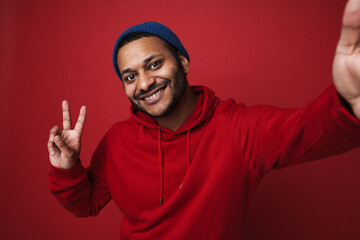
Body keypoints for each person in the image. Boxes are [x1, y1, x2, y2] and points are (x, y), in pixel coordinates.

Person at [47, 0, 360, 239]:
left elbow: (308, 129)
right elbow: (85, 204)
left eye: (154, 64)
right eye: (131, 76)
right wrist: (68, 169)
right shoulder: (117, 140)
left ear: (182, 62)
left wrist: (348, 100)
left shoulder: (238, 128)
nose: (144, 83)